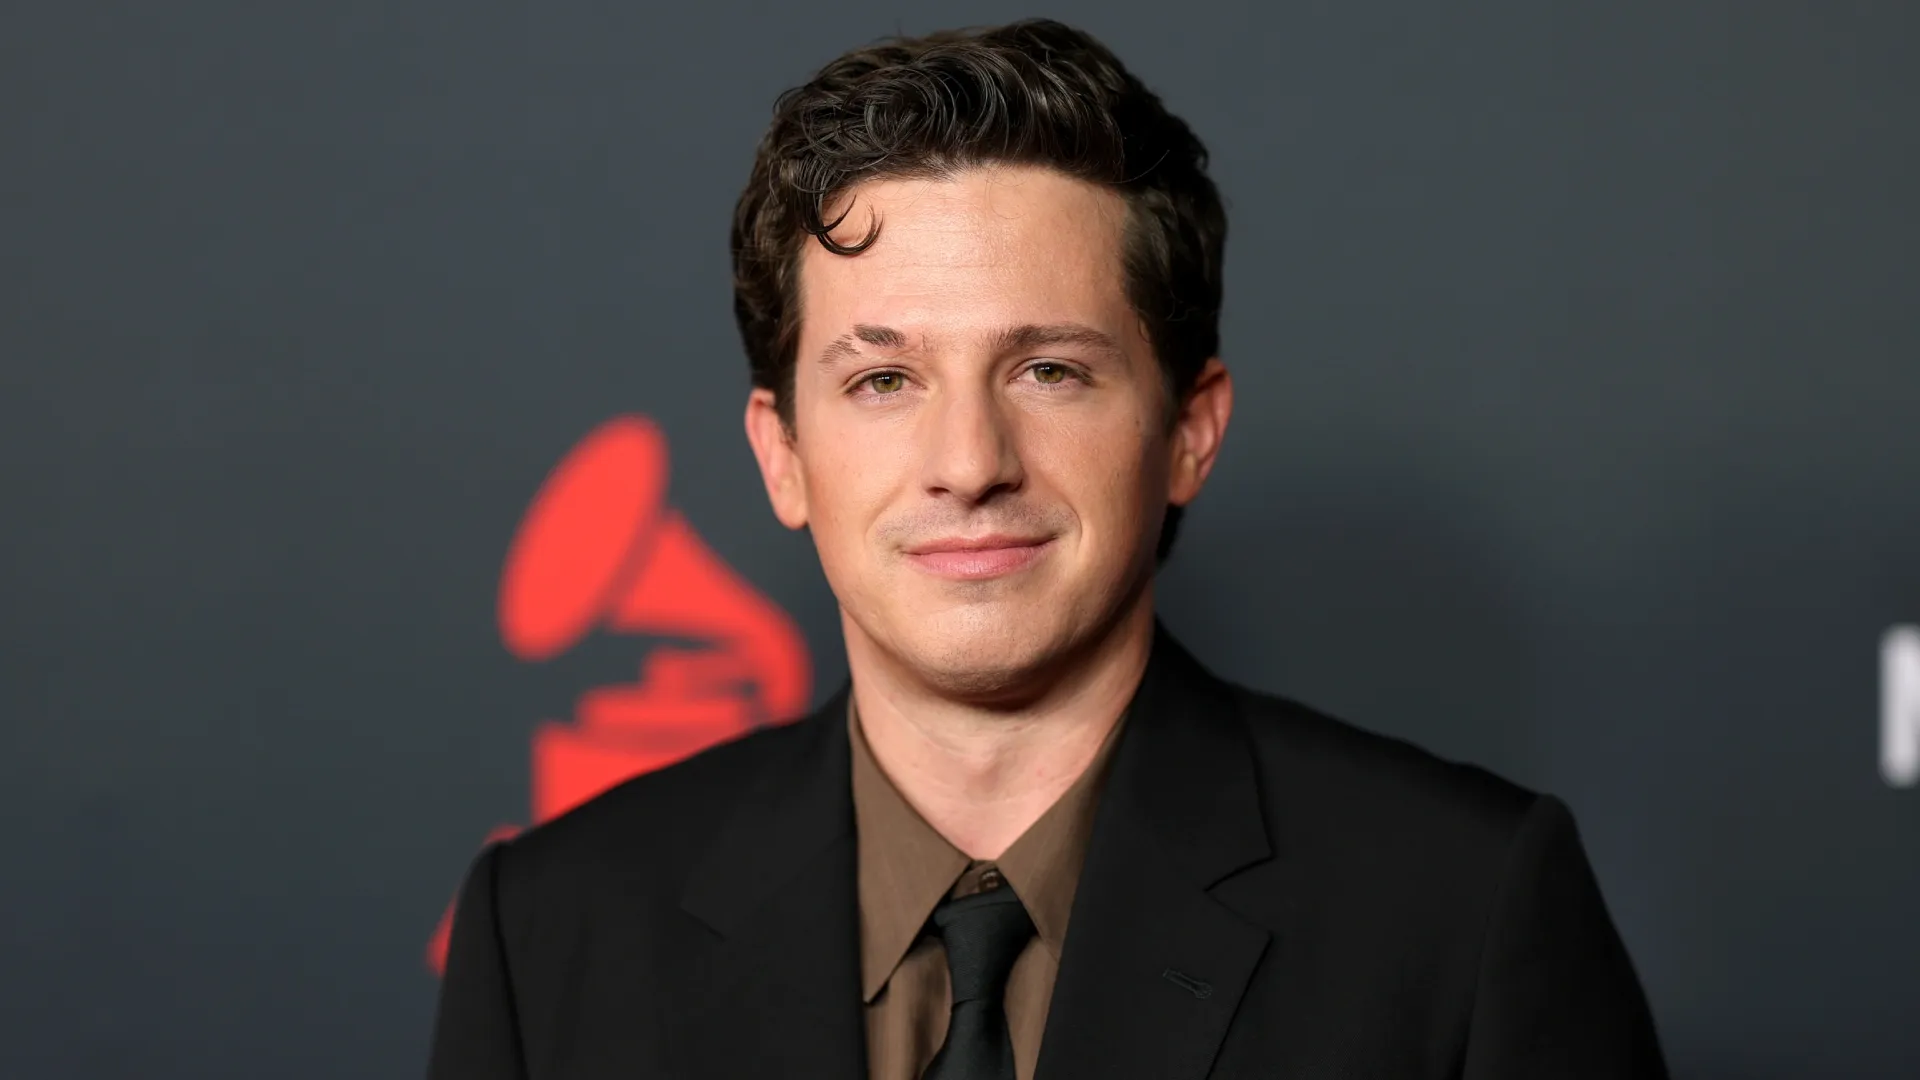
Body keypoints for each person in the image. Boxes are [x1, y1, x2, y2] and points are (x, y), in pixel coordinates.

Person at [427, 18, 1668, 1080]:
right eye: (883, 379)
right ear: (781, 456)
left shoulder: (1462, 913)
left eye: (1050, 370)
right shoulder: (551, 938)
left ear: (1189, 431)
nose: (970, 459)